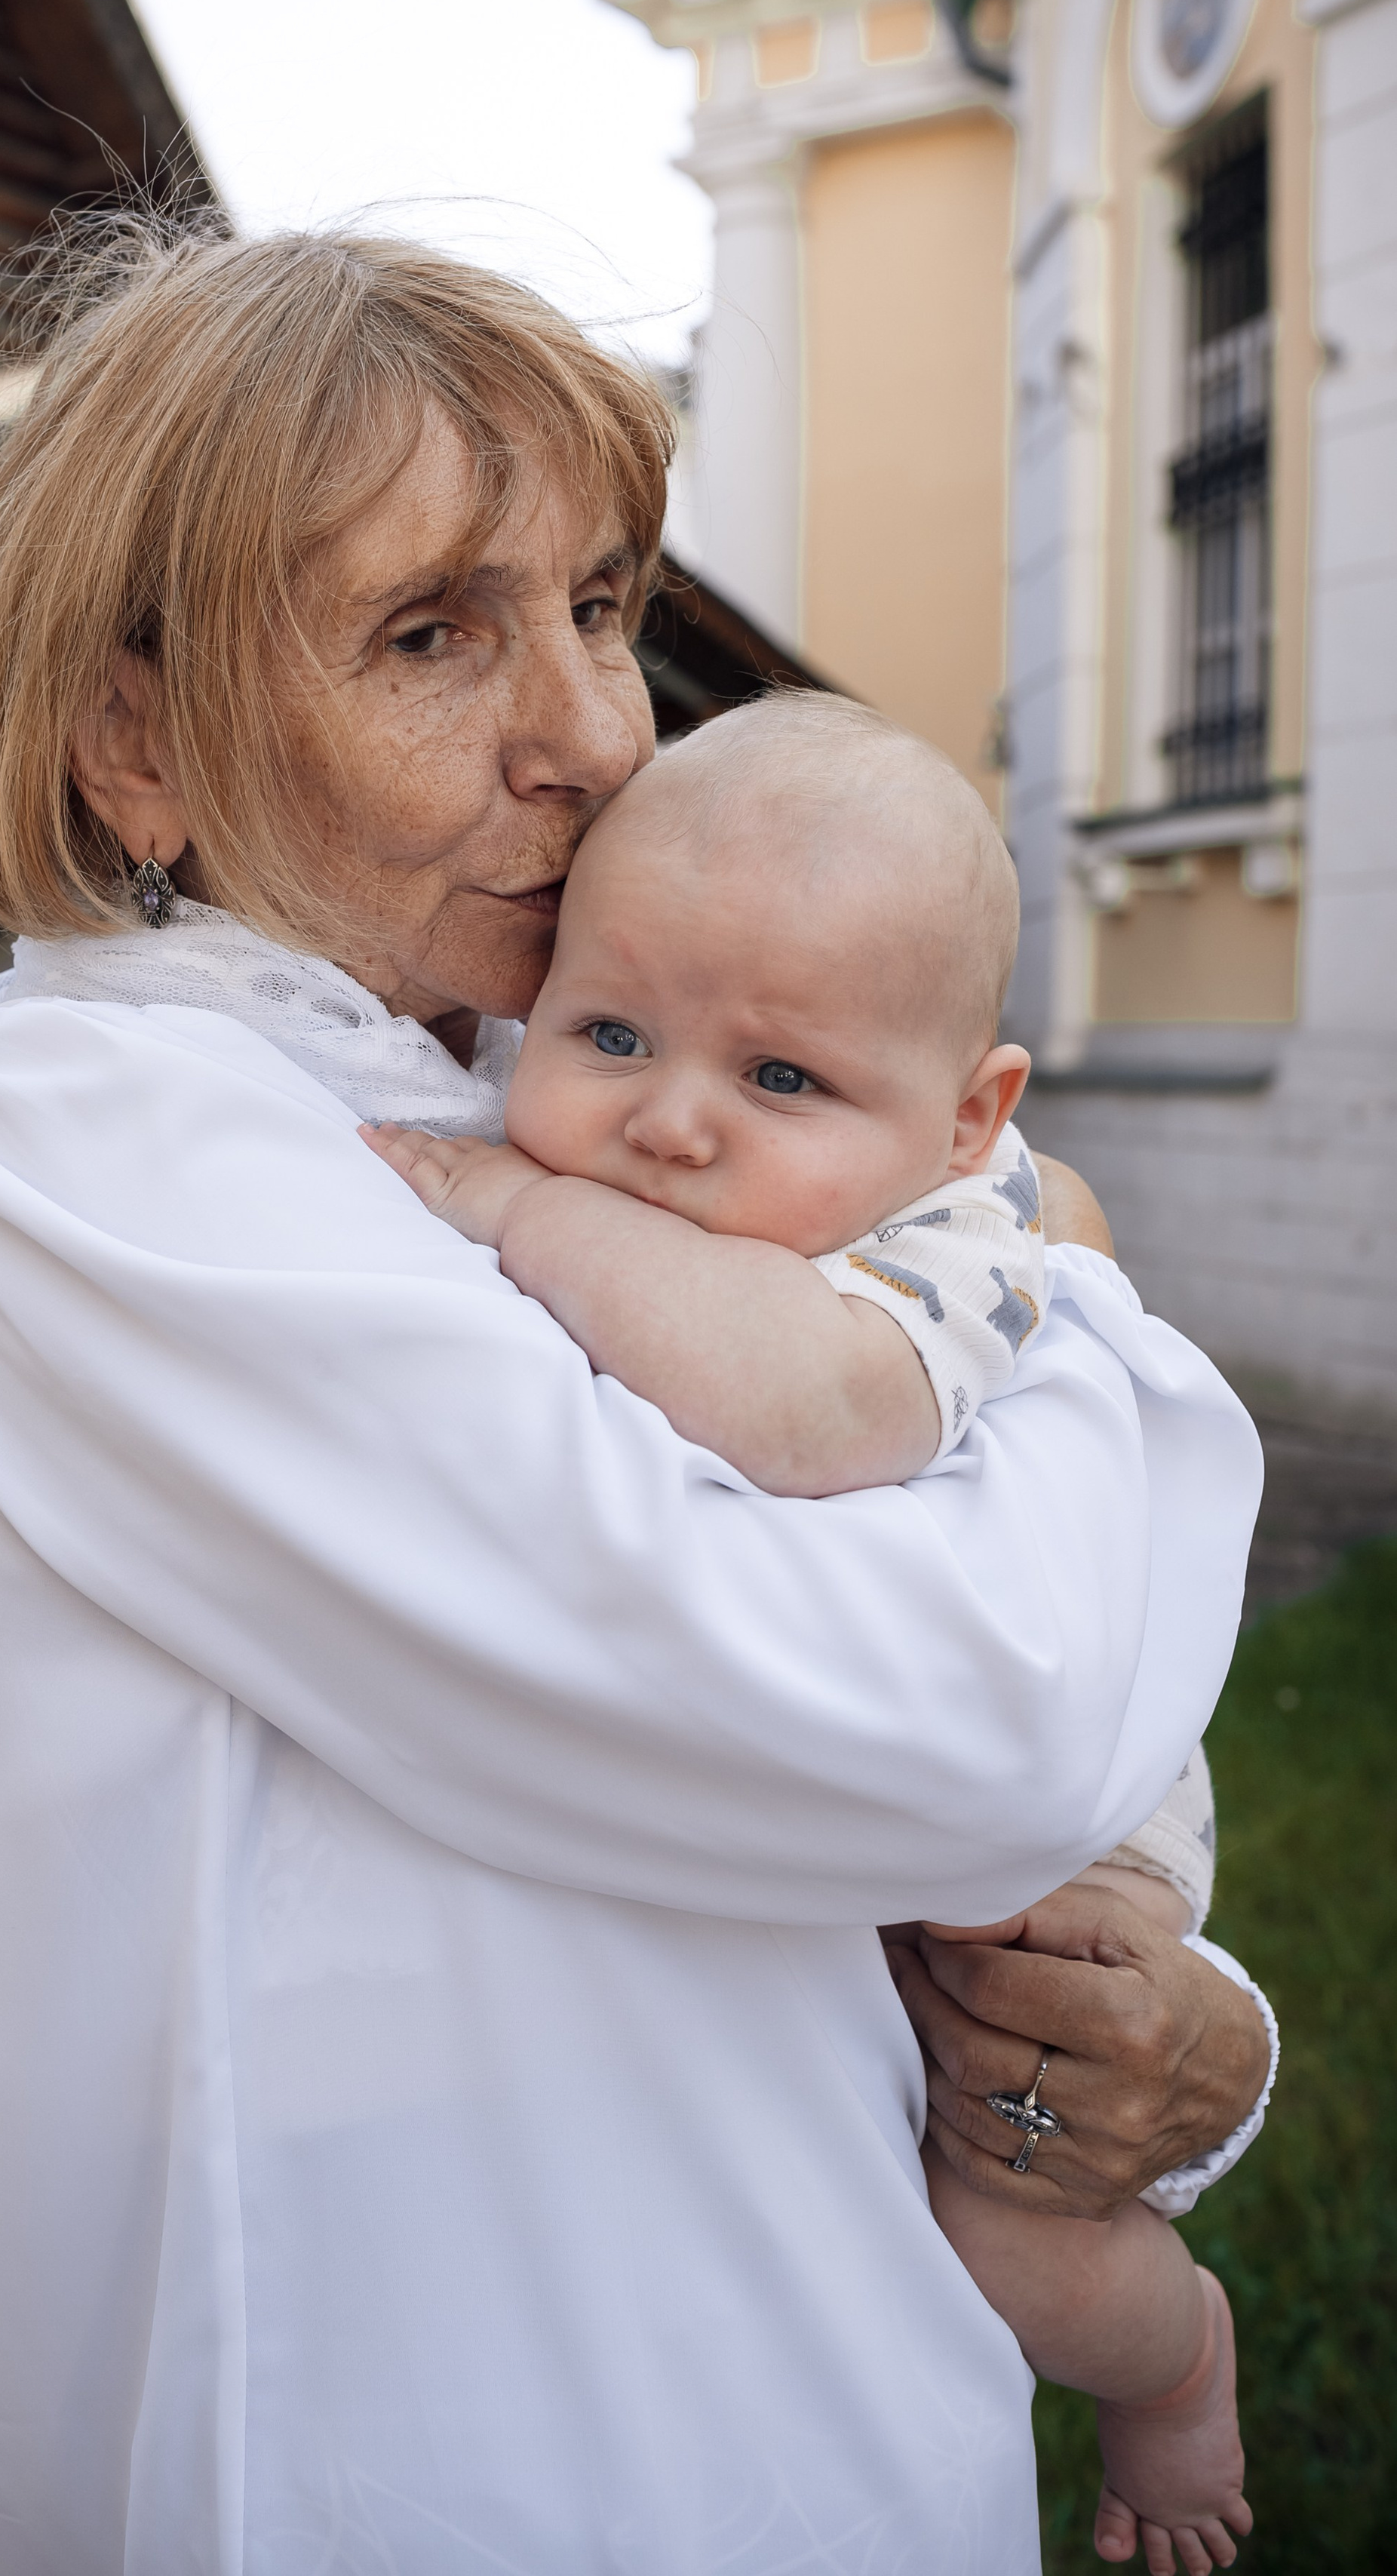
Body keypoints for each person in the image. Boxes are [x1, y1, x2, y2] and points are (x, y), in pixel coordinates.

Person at [0, 224, 1276, 2575]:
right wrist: (1080, 1308)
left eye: (604, 603)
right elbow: (951, 1722)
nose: (600, 734)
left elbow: (997, 1751)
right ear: (143, 744)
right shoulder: (91, 1143)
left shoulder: (569, 1071)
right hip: (450, 2452)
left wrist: (1157, 2026)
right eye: (435, 633)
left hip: (845, 2378)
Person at [367, 693, 1248, 2574]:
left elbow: (799, 1414)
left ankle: (1169, 2369)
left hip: (1068, 1846)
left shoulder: (950, 1246)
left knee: (1001, 2219)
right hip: (822, 1830)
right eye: (606, 1033)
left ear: (966, 1122)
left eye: (778, 1081)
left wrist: (517, 1198)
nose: (668, 1123)